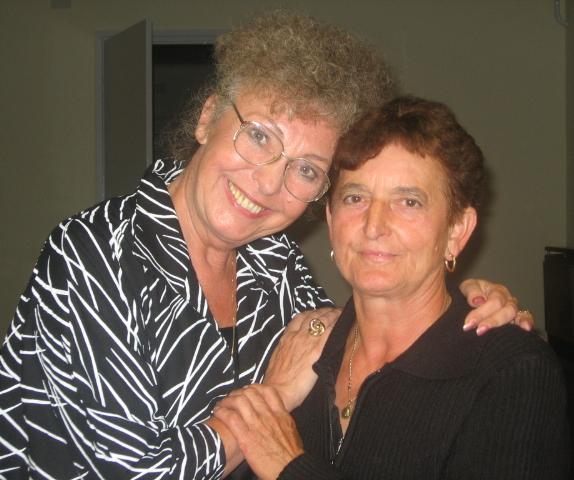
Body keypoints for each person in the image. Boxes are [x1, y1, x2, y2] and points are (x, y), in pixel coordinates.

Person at [0, 11, 530, 479]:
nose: (269, 182)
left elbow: (344, 334)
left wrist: (458, 304)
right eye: (258, 136)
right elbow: (130, 472)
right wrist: (271, 400)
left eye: (306, 169)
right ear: (207, 118)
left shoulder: (274, 260)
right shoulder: (93, 255)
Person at [213, 96, 569, 479]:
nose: (374, 225)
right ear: (331, 220)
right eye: (355, 198)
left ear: (456, 231)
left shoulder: (511, 371)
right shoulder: (298, 347)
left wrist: (289, 467)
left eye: (409, 202)